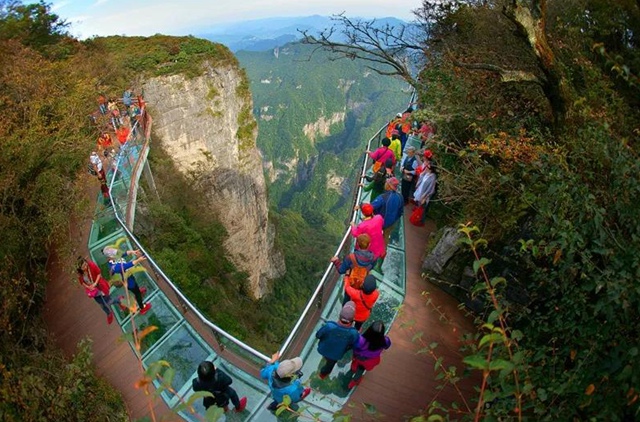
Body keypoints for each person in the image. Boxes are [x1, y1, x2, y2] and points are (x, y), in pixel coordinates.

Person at [315, 301, 359, 379]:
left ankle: (324, 362)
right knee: (330, 365)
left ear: (339, 316)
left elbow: (318, 335)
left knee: (327, 356)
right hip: (336, 354)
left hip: (323, 349)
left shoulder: (329, 326)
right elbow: (353, 344)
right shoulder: (353, 333)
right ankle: (322, 375)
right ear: (352, 320)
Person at [103, 246, 152, 315]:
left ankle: (137, 291)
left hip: (129, 276)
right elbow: (127, 265)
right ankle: (142, 307)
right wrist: (138, 260)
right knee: (137, 292)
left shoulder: (115, 258)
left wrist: (132, 252)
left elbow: (123, 254)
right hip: (128, 281)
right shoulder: (114, 267)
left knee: (135, 286)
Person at [76, 257, 124, 325]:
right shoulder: (80, 273)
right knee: (101, 304)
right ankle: (109, 313)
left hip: (99, 286)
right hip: (93, 290)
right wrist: (88, 287)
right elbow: (82, 282)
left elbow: (99, 274)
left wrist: (95, 283)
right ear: (80, 268)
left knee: (108, 301)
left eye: (85, 264)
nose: (85, 267)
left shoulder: (91, 265)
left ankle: (119, 300)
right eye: (83, 266)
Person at [347, 320, 391, 389]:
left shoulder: (361, 340)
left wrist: (354, 355)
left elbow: (355, 348)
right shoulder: (385, 341)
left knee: (354, 366)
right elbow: (387, 346)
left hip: (359, 357)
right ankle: (353, 382)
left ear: (369, 330)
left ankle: (352, 371)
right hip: (371, 360)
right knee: (362, 369)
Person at [371, 177, 404, 246]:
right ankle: (382, 253)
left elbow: (371, 207)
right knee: (385, 238)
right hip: (391, 223)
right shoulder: (400, 197)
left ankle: (372, 250)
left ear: (389, 186)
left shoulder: (383, 197)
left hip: (379, 222)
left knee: (373, 236)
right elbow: (400, 212)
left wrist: (361, 205)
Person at [413, 160, 437, 225]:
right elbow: (421, 179)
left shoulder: (433, 177)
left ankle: (420, 221)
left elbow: (431, 189)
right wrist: (423, 173)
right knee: (418, 205)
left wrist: (425, 196)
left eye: (428, 167)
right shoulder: (426, 173)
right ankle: (416, 218)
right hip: (420, 191)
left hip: (424, 194)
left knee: (422, 209)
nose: (426, 168)